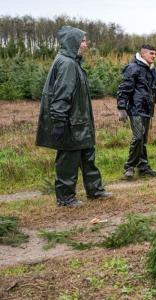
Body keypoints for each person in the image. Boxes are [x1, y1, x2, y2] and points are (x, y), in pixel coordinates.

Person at [36, 26, 110, 207]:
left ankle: (95, 190)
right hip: (71, 124)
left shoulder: (72, 62)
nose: (86, 44)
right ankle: (66, 198)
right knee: (68, 160)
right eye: (83, 41)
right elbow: (61, 95)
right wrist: (59, 122)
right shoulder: (67, 64)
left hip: (80, 123)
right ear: (73, 42)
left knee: (88, 157)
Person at [116, 44, 156, 179]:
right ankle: (129, 167)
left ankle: (143, 167)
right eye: (151, 53)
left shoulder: (152, 70)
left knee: (143, 139)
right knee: (138, 137)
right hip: (135, 109)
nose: (154, 56)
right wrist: (121, 108)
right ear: (143, 54)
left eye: (155, 54)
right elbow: (124, 88)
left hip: (147, 110)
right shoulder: (133, 68)